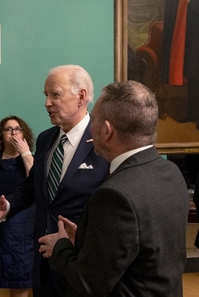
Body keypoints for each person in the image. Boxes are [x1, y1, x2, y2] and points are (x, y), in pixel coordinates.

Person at [37, 80, 188, 297]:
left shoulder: (115, 195)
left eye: (94, 120)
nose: (90, 126)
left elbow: (88, 282)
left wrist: (61, 246)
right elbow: (140, 243)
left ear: (107, 131)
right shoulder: (170, 171)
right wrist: (85, 238)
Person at [0, 65, 109, 297]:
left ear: (81, 96)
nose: (47, 103)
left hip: (81, 263)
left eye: (55, 94)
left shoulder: (103, 140)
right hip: (43, 260)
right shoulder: (45, 139)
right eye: (46, 95)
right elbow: (33, 186)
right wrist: (9, 205)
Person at [0, 116, 35, 297]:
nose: (13, 133)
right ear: (0, 135)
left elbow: (35, 184)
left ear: (24, 134)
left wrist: (26, 153)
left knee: (20, 282)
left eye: (17, 129)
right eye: (8, 129)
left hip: (22, 234)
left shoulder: (31, 159)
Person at [161, 0, 199, 124]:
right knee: (193, 76)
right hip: (191, 35)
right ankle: (193, 115)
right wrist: (186, 1)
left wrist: (192, 1)